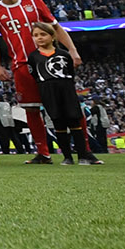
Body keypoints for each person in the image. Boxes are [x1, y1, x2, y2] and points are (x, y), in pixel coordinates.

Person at [0, 0, 79, 165]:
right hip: (22, 65)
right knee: (32, 109)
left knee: (68, 106)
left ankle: (83, 151)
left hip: (50, 63)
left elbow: (56, 27)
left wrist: (72, 50)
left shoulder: (35, 3)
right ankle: (43, 153)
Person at [29, 22, 101, 165]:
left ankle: (82, 156)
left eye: (43, 34)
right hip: (48, 93)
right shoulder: (33, 57)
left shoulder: (64, 55)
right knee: (59, 124)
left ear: (52, 36)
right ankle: (67, 157)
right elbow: (35, 76)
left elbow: (70, 74)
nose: (39, 38)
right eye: (35, 35)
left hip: (66, 91)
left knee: (74, 123)